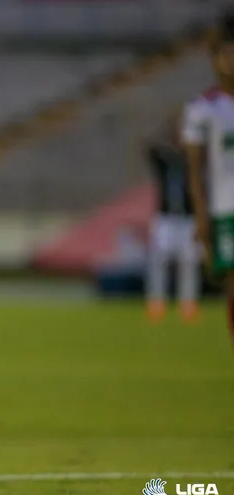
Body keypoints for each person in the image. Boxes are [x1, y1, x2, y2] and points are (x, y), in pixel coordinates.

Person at [182, 11, 234, 346]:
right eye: (227, 55)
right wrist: (201, 218)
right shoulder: (204, 109)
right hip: (226, 210)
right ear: (214, 60)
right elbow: (195, 171)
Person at [143, 113, 201, 323]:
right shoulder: (165, 159)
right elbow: (148, 146)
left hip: (187, 217)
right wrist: (166, 130)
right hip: (166, 217)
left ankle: (188, 303)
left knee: (189, 262)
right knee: (159, 259)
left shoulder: (192, 161)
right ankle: (156, 302)